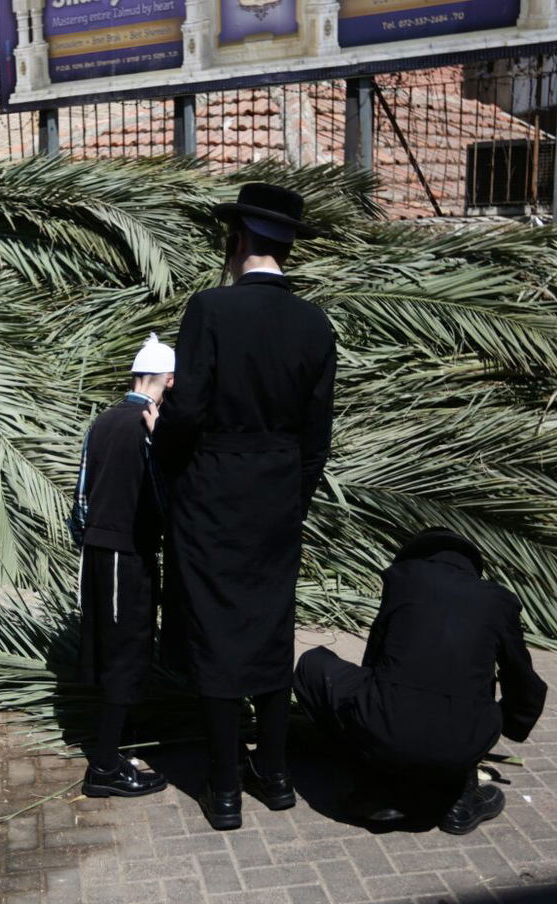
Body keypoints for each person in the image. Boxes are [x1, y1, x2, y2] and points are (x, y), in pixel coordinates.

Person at [154, 183, 336, 830]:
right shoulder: (316, 324)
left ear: (237, 242)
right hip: (278, 493)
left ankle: (226, 787)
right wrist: (291, 492)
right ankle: (278, 773)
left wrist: (163, 445)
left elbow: (189, 410)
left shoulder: (210, 310)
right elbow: (318, 438)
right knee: (270, 628)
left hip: (212, 493)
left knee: (217, 634)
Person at [293, 528, 548, 834]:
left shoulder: (404, 581)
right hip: (464, 739)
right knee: (474, 699)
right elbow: (521, 679)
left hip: (388, 725)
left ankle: (377, 786)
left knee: (313, 663)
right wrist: (513, 723)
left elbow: (375, 661)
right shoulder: (499, 601)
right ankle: (460, 803)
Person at [70, 334, 174, 798]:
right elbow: (162, 494)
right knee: (125, 648)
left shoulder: (103, 420)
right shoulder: (149, 426)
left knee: (112, 643)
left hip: (98, 549)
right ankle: (107, 766)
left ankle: (117, 741)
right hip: (125, 550)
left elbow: (81, 495)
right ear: (168, 381)